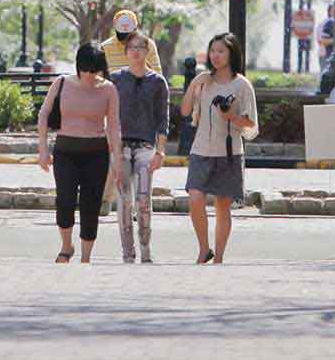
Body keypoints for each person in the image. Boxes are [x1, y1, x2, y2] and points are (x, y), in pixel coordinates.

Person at [37, 43, 122, 263]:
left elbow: (113, 125)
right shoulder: (62, 83)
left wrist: (118, 160)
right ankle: (66, 246)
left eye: (94, 71)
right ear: (78, 67)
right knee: (64, 199)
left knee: (90, 204)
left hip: (96, 152)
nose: (89, 75)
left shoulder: (108, 89)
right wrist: (43, 149)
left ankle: (86, 257)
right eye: (85, 70)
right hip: (66, 150)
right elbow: (44, 114)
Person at [181, 32, 258, 264]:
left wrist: (231, 117)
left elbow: (251, 124)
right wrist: (194, 82)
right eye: (213, 51)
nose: (215, 56)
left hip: (229, 152)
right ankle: (204, 248)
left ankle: (219, 257)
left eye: (221, 51)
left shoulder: (242, 85)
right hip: (201, 150)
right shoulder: (203, 82)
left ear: (231, 54)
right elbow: (185, 111)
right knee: (195, 198)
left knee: (223, 207)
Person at [110, 32, 169, 264]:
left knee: (144, 199)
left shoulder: (157, 82)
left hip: (146, 146)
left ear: (148, 51)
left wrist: (161, 151)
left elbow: (163, 119)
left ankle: (145, 247)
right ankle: (127, 251)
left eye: (140, 47)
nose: (135, 51)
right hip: (121, 147)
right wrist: (113, 152)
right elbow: (110, 119)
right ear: (125, 52)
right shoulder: (115, 79)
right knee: (124, 201)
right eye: (131, 47)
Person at [97, 9, 163, 74]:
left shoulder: (148, 45)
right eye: (121, 34)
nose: (125, 40)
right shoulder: (104, 47)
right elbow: (98, 75)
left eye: (129, 36)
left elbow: (157, 73)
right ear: (115, 28)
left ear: (135, 29)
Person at [317, 5, 335, 71]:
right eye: (334, 10)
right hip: (325, 55)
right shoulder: (327, 23)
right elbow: (321, 40)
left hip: (328, 55)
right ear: (330, 11)